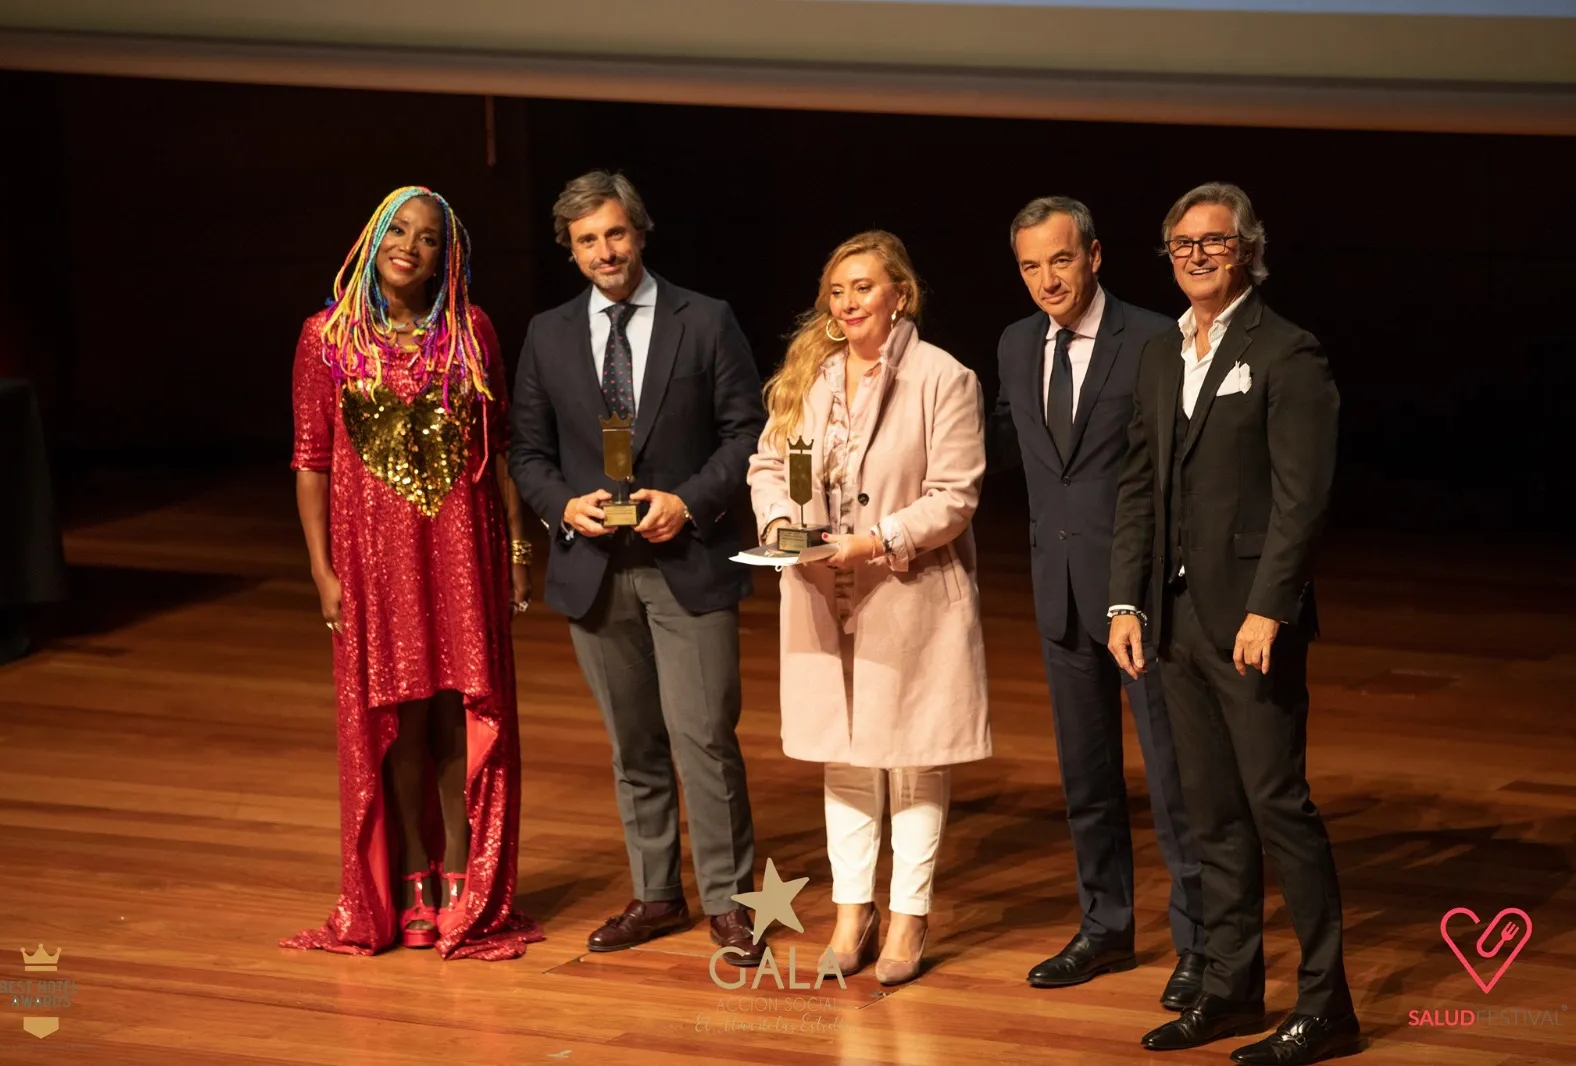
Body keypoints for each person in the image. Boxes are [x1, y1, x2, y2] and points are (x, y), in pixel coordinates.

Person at [1109, 182, 1356, 1064]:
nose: (1198, 256)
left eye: (1215, 243)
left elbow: (1301, 503)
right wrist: (1126, 600)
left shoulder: (1288, 352)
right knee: (1210, 815)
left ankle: (1328, 1006)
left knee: (1278, 807)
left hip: (1252, 625)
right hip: (1173, 624)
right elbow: (1139, 483)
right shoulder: (1159, 353)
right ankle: (1229, 989)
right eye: (1182, 244)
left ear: (1248, 249)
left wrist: (1268, 609)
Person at [509, 171, 765, 963]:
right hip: (595, 568)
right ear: (571, 250)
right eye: (587, 240)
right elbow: (527, 451)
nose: (604, 252)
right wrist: (561, 506)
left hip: (687, 558)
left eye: (615, 234)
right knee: (635, 746)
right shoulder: (548, 334)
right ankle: (657, 894)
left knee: (705, 738)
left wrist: (687, 503)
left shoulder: (706, 320)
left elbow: (744, 431)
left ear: (641, 233)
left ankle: (731, 900)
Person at [283, 186, 542, 960]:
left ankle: (466, 875)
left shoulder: (472, 332)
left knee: (459, 710)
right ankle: (409, 881)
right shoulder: (326, 337)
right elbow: (310, 463)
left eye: (429, 238)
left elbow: (495, 452)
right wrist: (323, 572)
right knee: (396, 716)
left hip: (462, 548)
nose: (411, 245)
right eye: (398, 230)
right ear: (372, 239)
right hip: (374, 560)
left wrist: (519, 552)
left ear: (446, 257)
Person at [748, 231, 990, 986]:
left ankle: (909, 912)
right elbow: (767, 465)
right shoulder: (810, 379)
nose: (848, 302)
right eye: (838, 290)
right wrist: (778, 526)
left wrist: (877, 540)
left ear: (900, 296)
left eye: (864, 287)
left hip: (907, 589)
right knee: (846, 754)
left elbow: (954, 497)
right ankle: (854, 909)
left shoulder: (944, 378)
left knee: (913, 754)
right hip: (823, 590)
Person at [987, 196, 1205, 1009]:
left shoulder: (1153, 337)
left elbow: (1177, 475)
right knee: (1086, 778)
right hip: (1060, 595)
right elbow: (1005, 447)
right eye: (1031, 265)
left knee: (1175, 783)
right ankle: (1106, 926)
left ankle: (1201, 942)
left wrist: (1158, 586)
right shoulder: (1015, 343)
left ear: (1096, 256)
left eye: (1061, 260)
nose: (1047, 279)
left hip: (1142, 601)